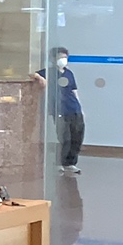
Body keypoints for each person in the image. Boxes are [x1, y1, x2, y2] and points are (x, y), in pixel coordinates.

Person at [46, 45, 85, 174]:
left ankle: (70, 163)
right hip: (59, 110)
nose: (63, 60)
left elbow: (74, 91)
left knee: (77, 137)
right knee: (65, 138)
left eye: (65, 57)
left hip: (74, 108)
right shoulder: (48, 73)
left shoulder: (69, 73)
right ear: (53, 59)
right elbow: (34, 76)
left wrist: (80, 108)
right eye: (60, 57)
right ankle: (59, 163)